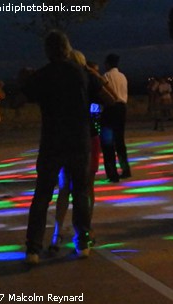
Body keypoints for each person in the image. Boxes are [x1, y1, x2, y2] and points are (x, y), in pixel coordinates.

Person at [23, 31, 93, 264]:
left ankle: (33, 248)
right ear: (67, 48)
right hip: (78, 139)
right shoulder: (80, 74)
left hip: (52, 141)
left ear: (47, 51)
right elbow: (103, 97)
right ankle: (82, 242)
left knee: (42, 195)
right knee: (80, 191)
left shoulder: (43, 75)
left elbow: (27, 92)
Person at [49, 51, 115, 254]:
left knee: (66, 188)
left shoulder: (62, 86)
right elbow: (112, 99)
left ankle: (59, 233)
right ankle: (83, 232)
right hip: (87, 138)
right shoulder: (88, 85)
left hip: (68, 138)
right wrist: (94, 76)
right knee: (84, 188)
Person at [100, 53, 132, 182]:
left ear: (107, 63)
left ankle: (112, 173)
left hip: (110, 109)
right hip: (122, 109)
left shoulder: (106, 76)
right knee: (120, 141)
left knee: (108, 142)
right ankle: (125, 169)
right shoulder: (123, 77)